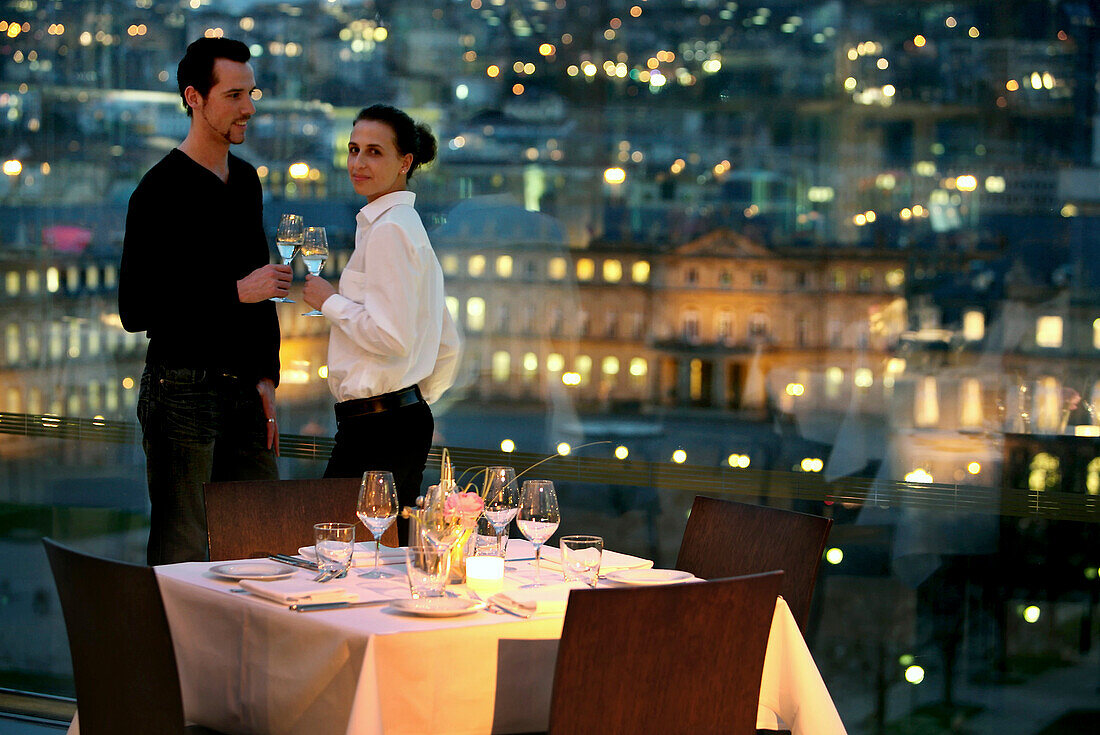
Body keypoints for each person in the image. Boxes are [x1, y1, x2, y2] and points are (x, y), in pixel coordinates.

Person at [119, 37, 292, 565]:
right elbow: (136, 308)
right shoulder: (158, 190)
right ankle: (175, 651)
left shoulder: (245, 180)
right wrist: (235, 292)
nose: (249, 107)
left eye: (252, 92)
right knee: (184, 553)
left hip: (244, 388)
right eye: (236, 95)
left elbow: (263, 284)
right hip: (181, 388)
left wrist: (267, 376)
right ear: (195, 97)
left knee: (261, 545)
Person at [303, 104, 461, 544]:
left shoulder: (390, 230)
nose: (358, 163)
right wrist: (413, 396)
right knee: (380, 551)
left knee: (337, 549)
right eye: (353, 150)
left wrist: (329, 300)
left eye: (374, 152)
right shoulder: (402, 226)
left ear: (405, 162)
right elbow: (446, 340)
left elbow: (392, 337)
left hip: (378, 425)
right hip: (395, 419)